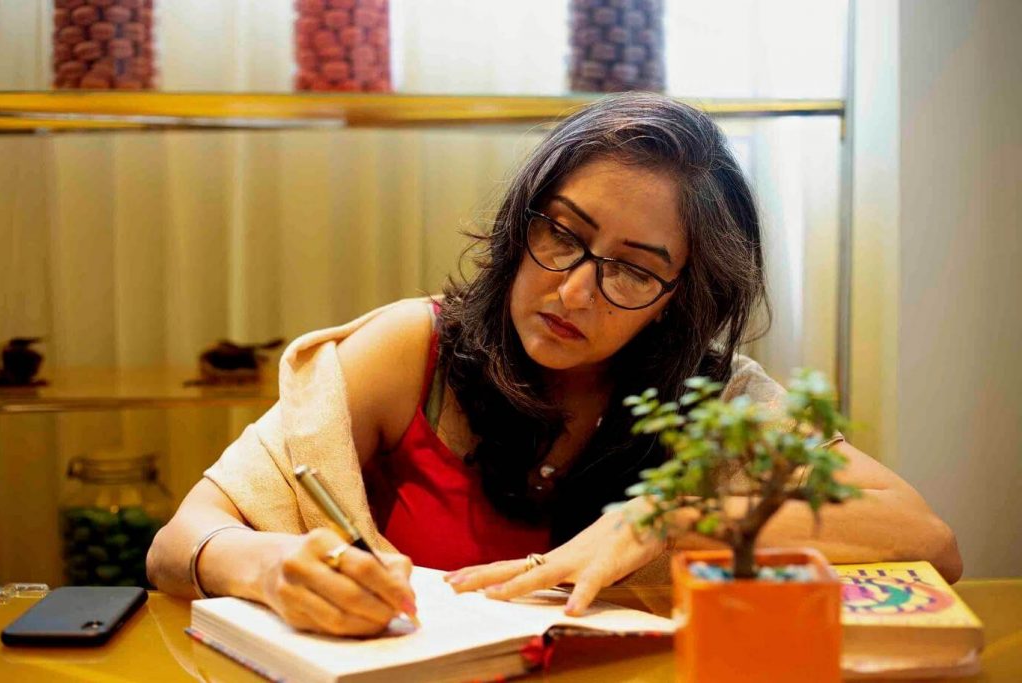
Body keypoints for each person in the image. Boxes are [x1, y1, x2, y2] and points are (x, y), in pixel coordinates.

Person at [147, 92, 962, 636]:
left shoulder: (711, 403)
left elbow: (927, 536)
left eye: (634, 269)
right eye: (563, 233)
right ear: (520, 220)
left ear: (680, 296)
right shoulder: (416, 350)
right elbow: (179, 541)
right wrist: (263, 564)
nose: (574, 291)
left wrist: (662, 520)